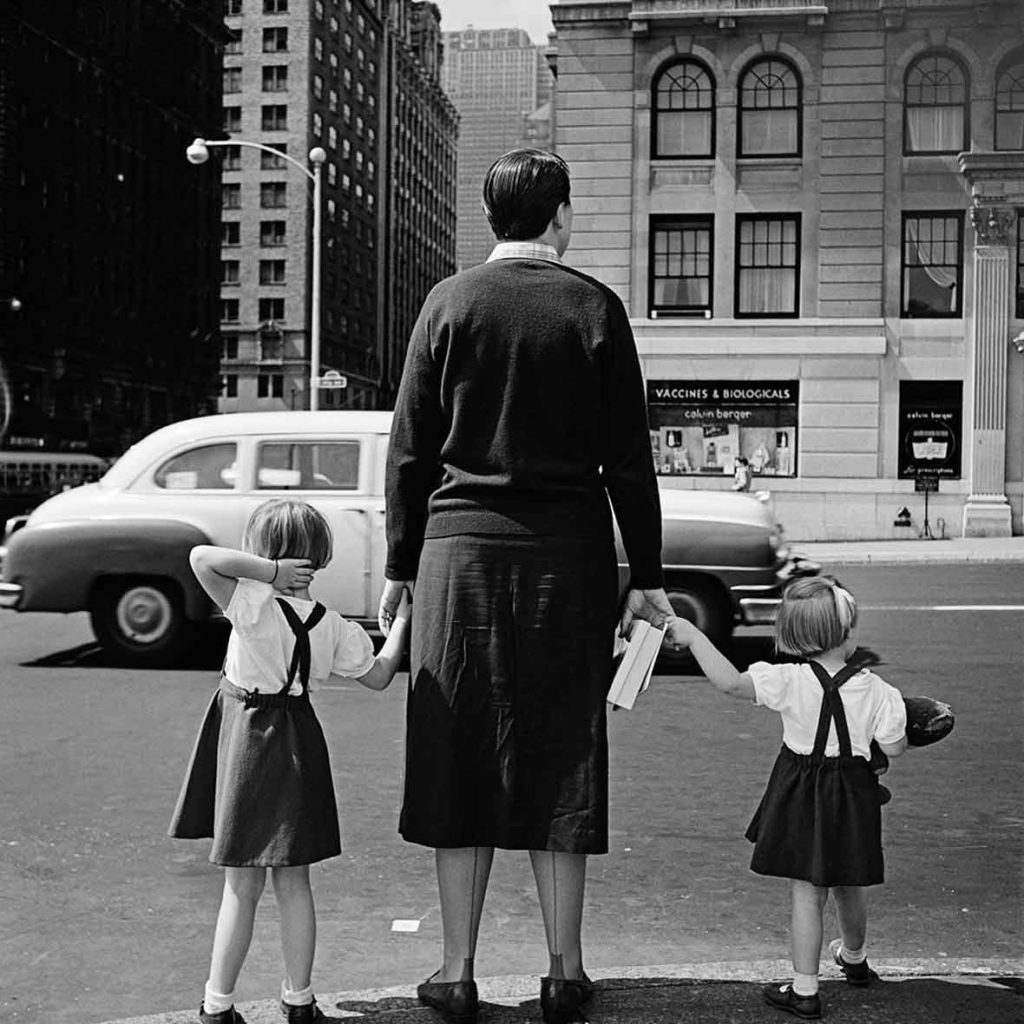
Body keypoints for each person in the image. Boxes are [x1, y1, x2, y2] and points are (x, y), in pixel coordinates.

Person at [378, 148, 674, 1024]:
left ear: (492, 218)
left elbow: (408, 450)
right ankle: (562, 973)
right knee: (560, 755)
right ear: (560, 216)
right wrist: (646, 578)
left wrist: (399, 569)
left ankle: (456, 972)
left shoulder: (449, 302)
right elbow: (629, 458)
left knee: (457, 753)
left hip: (458, 557)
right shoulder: (594, 309)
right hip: (568, 558)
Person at [169, 498, 410, 1024]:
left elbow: (201, 558)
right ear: (319, 556)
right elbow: (378, 675)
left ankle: (217, 1004)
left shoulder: (249, 601)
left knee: (241, 884)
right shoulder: (333, 626)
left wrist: (269, 572)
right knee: (295, 881)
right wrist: (400, 624)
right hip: (299, 739)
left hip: (248, 739)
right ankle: (299, 1000)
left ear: (262, 553)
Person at [665, 576, 907, 1020]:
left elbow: (731, 683)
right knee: (849, 883)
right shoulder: (877, 689)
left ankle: (805, 989)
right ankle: (854, 960)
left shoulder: (788, 679)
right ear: (847, 633)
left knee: (807, 893)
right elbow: (894, 746)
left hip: (801, 792)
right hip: (853, 795)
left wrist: (695, 636)